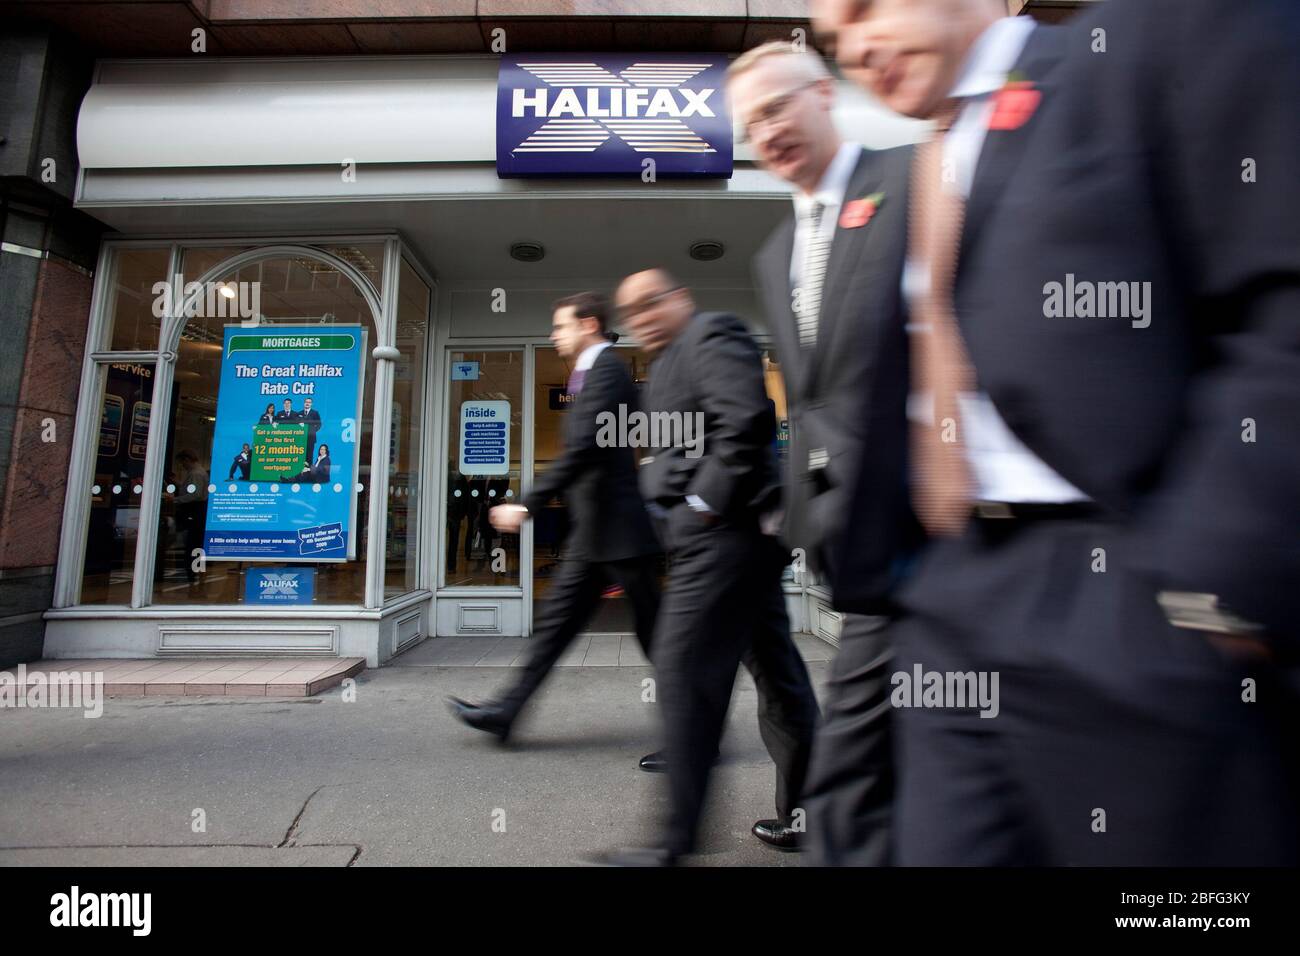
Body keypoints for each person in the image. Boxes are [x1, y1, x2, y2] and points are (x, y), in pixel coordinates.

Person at [816, 0, 1300, 864]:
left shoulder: (1147, 47)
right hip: (951, 600)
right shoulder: (912, 170)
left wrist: (1211, 588)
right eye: (830, 37)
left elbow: (1280, 306)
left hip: (1128, 592)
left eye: (864, 6)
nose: (854, 43)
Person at [729, 40, 916, 860]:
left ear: (825, 94)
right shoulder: (776, 253)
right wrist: (793, 518)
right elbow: (809, 404)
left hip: (957, 540)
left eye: (777, 105)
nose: (765, 130)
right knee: (861, 784)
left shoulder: (914, 180)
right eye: (749, 122)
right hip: (865, 561)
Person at [603, 269, 818, 866]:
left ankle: (673, 843)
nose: (641, 317)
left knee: (682, 669)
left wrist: (702, 503)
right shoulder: (665, 365)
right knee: (779, 678)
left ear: (681, 299)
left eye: (651, 303)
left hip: (728, 535)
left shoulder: (712, 333)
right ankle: (809, 814)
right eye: (631, 312)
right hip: (723, 540)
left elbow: (747, 420)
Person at [448, 292, 661, 741]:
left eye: (560, 325)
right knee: (555, 630)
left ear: (588, 325)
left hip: (621, 534)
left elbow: (584, 450)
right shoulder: (591, 374)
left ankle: (697, 734)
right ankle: (505, 713)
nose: (553, 335)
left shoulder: (609, 372)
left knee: (658, 641)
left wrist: (527, 503)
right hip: (596, 536)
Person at [300, 396, 322, 460]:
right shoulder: (299, 413)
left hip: (311, 438)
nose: (307, 403)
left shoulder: (315, 413)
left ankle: (308, 469)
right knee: (301, 454)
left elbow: (319, 424)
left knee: (309, 455)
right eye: (306, 402)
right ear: (304, 403)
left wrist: (312, 431)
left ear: (311, 404)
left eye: (309, 402)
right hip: (301, 438)